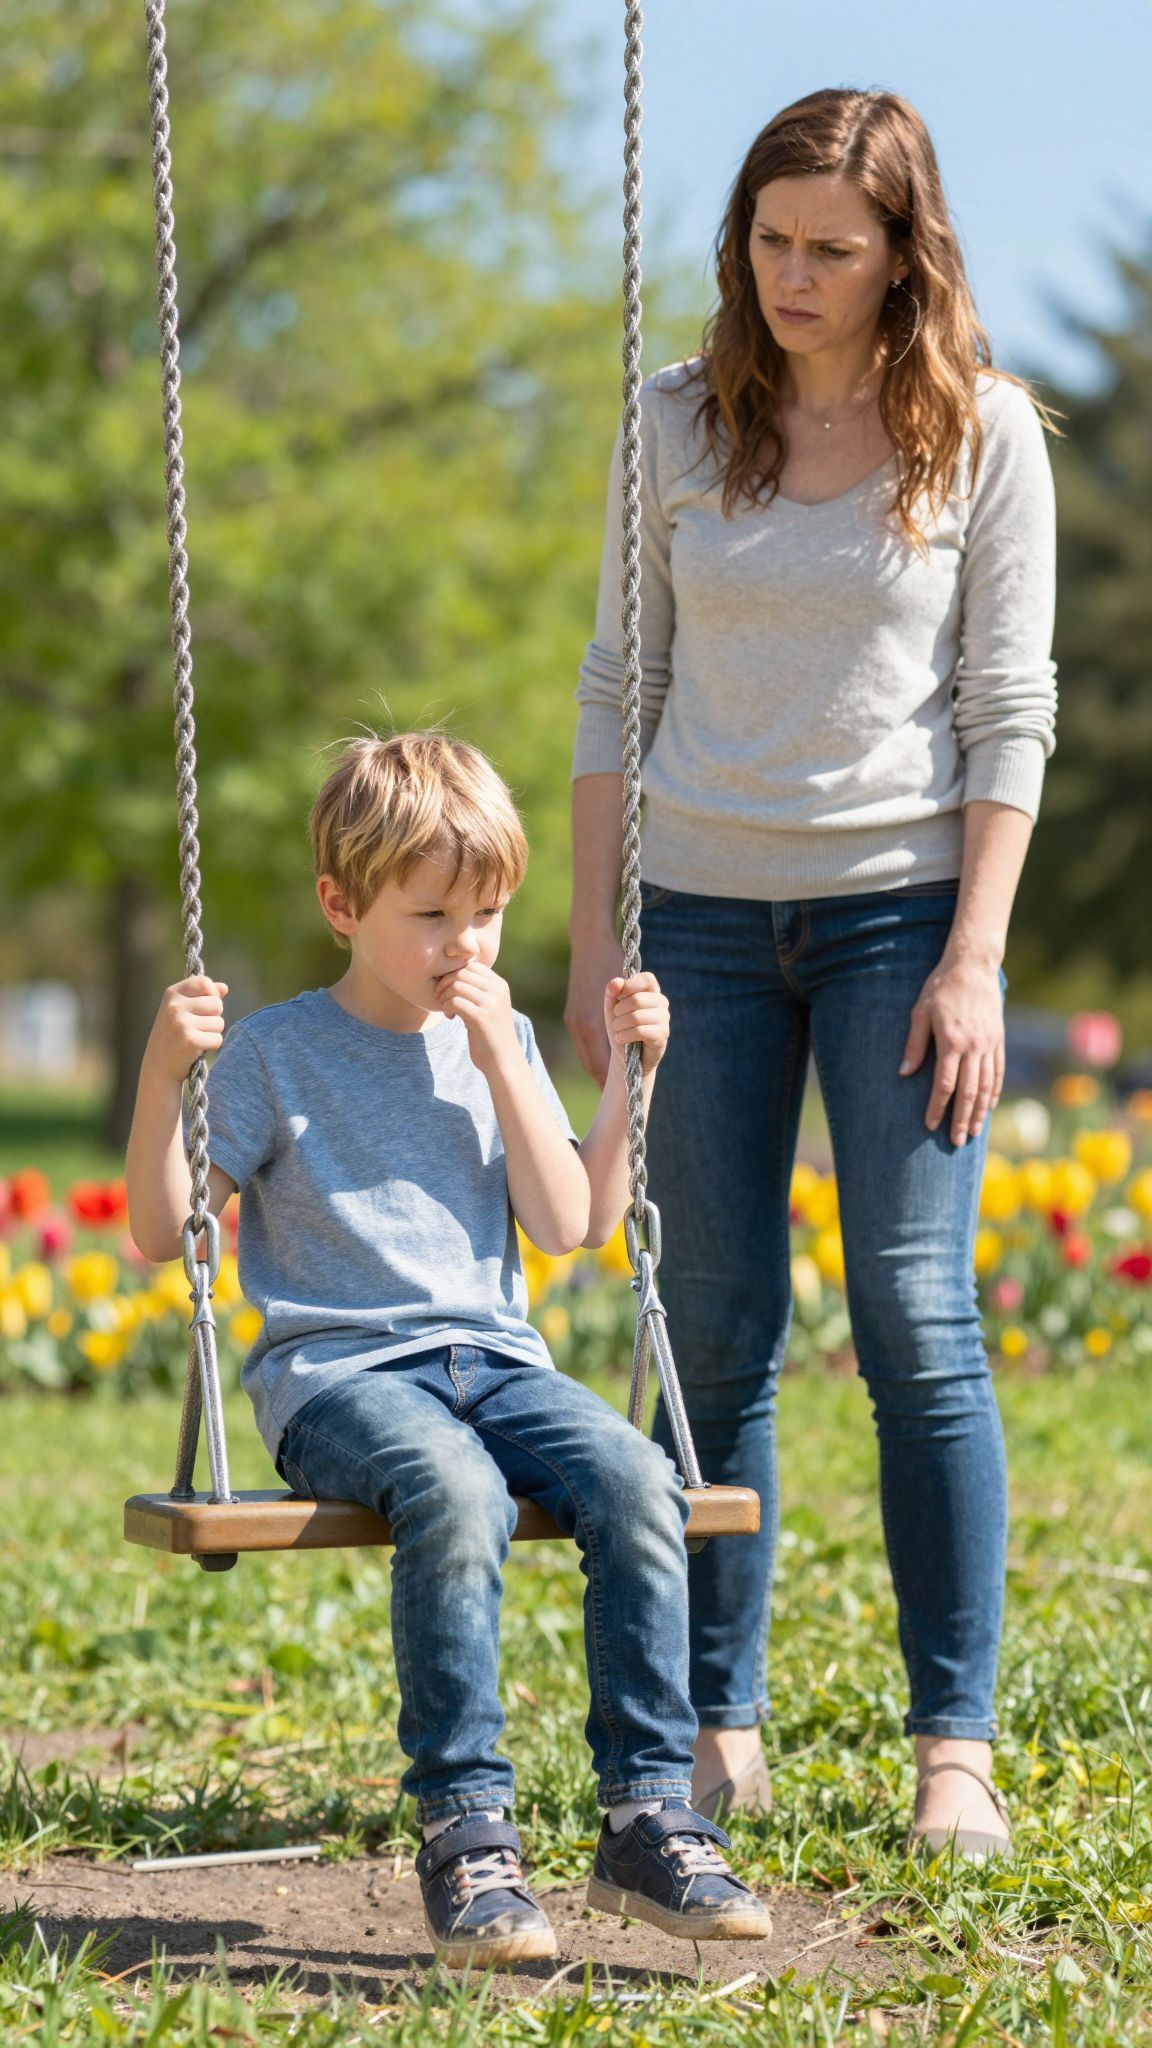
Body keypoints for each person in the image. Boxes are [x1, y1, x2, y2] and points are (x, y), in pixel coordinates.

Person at [566, 88, 1056, 1859]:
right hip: (691, 919)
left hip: (897, 923)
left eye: (829, 248)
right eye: (769, 239)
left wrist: (975, 959)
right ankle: (718, 1722)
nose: (790, 273)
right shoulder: (678, 424)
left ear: (898, 256)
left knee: (917, 1318)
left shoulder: (983, 436)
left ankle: (954, 1744)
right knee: (711, 1325)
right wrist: (591, 942)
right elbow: (615, 684)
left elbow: (1010, 711)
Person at [125, 731, 771, 1965]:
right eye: (431, 914)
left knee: (642, 1479)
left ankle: (645, 1811)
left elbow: (573, 1222)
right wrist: (166, 1077)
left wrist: (619, 1077)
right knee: (456, 1487)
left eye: (485, 913)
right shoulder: (273, 1053)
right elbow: (166, 1234)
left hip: (497, 1362)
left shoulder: (503, 1041)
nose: (465, 944)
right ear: (341, 905)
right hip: (343, 1380)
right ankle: (468, 1832)